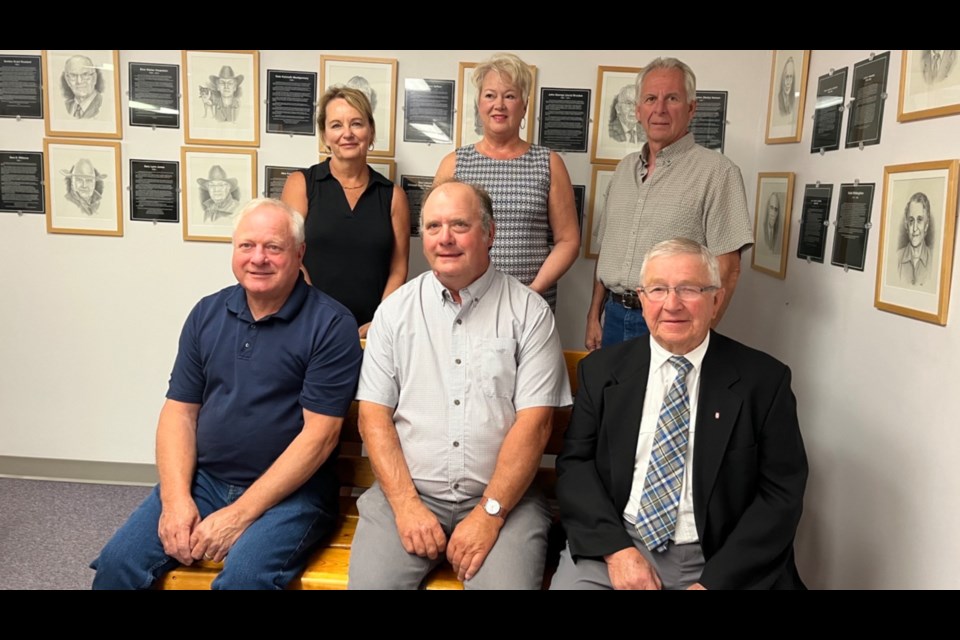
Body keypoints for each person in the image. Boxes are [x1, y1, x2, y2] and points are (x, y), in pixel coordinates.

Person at [90, 198, 363, 590]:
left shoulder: (330, 324)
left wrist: (240, 514)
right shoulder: (207, 312)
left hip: (292, 494)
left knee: (245, 580)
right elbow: (178, 413)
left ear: (299, 253)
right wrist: (175, 500)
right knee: (118, 564)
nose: (258, 258)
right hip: (206, 481)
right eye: (247, 245)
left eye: (274, 247)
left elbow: (319, 438)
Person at [349, 180, 572, 590]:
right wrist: (406, 505)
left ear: (489, 233)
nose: (445, 239)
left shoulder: (529, 312)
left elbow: (536, 425)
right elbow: (373, 417)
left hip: (505, 500)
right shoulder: (394, 313)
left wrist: (490, 513)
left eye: (459, 225)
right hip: (407, 493)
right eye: (433, 227)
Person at [554, 238, 808, 590]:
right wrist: (617, 551)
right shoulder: (601, 372)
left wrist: (715, 583)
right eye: (658, 289)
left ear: (715, 300)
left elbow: (781, 494)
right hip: (616, 547)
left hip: (719, 559)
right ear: (642, 299)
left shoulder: (763, 382)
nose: (671, 305)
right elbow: (575, 466)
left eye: (688, 289)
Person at [585, 56, 752, 350]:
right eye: (650, 98)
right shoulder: (624, 170)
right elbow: (607, 252)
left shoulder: (718, 173)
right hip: (612, 316)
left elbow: (728, 269)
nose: (659, 109)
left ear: (691, 108)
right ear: (638, 110)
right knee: (613, 397)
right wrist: (593, 315)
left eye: (672, 98)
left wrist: (699, 337)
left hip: (672, 321)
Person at [435, 52, 579, 311]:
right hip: (466, 302)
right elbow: (437, 235)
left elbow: (568, 241)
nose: (499, 105)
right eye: (490, 95)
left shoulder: (548, 163)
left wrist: (532, 292)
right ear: (479, 104)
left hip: (531, 301)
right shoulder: (454, 163)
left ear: (524, 106)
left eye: (510, 96)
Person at [282, 86, 409, 338]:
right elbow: (290, 254)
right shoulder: (301, 184)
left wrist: (380, 322)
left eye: (357, 124)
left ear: (371, 132)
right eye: (337, 125)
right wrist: (316, 314)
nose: (347, 134)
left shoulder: (393, 195)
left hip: (372, 333)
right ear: (324, 135)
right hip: (309, 325)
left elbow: (398, 267)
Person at [897, 192, 934, 287]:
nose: (914, 228)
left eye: (920, 220)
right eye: (911, 220)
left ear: (926, 225)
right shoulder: (896, 258)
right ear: (906, 225)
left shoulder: (935, 260)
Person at [62, 55, 103, 119]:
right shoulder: (63, 107)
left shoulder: (105, 105)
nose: (79, 81)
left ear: (94, 78)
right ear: (67, 80)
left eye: (85, 74)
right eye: (73, 75)